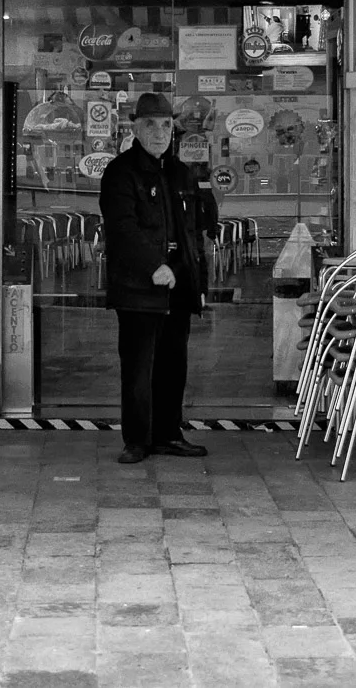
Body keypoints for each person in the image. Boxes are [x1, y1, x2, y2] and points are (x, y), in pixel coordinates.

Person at [99, 92, 216, 465]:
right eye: (150, 124)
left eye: (166, 125)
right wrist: (153, 265)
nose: (159, 132)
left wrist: (196, 283)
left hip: (177, 286)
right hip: (139, 287)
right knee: (138, 368)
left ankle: (168, 434)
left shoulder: (181, 173)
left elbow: (193, 231)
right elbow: (123, 230)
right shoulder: (121, 172)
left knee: (173, 365)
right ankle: (137, 440)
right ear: (135, 127)